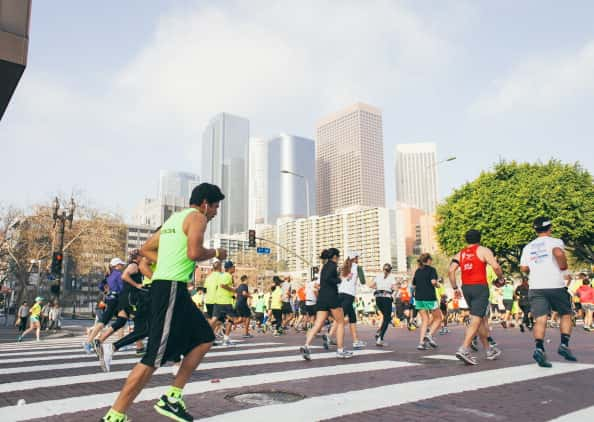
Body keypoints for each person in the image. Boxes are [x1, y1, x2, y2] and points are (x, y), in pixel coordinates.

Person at [101, 182, 226, 422]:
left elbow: (145, 248)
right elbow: (195, 253)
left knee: (205, 338)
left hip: (173, 288)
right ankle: (114, 415)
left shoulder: (173, 220)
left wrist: (168, 261)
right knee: (153, 357)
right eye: (215, 207)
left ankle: (172, 397)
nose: (215, 213)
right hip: (169, 288)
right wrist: (217, 253)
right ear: (205, 204)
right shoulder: (197, 218)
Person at [520, 217, 577, 368]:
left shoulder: (528, 247)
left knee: (540, 318)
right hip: (555, 285)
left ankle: (539, 347)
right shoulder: (555, 242)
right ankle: (564, 344)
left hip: (536, 286)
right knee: (566, 313)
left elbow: (524, 268)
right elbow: (558, 253)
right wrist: (563, 267)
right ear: (549, 228)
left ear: (535, 229)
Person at [449, 229, 504, 365]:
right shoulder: (483, 250)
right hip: (480, 287)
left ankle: (488, 350)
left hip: (466, 288)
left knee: (479, 318)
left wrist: (455, 288)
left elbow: (451, 271)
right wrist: (501, 278)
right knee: (476, 318)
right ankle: (464, 348)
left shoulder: (460, 254)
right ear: (480, 238)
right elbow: (496, 266)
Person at [300, 249, 353, 360]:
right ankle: (340, 350)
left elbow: (324, 280)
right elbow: (330, 279)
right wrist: (339, 280)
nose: (338, 258)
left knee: (318, 323)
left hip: (322, 298)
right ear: (334, 256)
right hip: (332, 297)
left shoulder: (324, 267)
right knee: (340, 322)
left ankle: (306, 345)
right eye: (338, 256)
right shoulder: (332, 265)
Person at [85, 258, 125, 353]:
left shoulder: (108, 274)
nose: (123, 266)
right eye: (121, 264)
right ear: (117, 265)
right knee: (107, 322)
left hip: (110, 299)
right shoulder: (119, 274)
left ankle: (120, 343)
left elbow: (100, 286)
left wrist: (106, 291)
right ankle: (89, 342)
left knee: (120, 320)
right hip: (117, 300)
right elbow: (122, 288)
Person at [330, 252, 366, 349]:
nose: (358, 259)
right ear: (355, 258)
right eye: (357, 257)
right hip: (349, 295)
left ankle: (355, 341)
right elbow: (363, 281)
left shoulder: (342, 268)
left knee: (352, 317)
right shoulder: (358, 268)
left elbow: (336, 279)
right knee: (340, 318)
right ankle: (329, 336)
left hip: (340, 293)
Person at [412, 253, 442, 350]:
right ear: (428, 260)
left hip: (419, 299)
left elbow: (414, 286)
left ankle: (421, 343)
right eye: (431, 259)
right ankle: (429, 335)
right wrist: (438, 285)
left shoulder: (417, 271)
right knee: (438, 318)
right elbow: (433, 282)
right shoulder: (431, 269)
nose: (431, 261)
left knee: (425, 320)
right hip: (429, 297)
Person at [369, 263, 397, 346]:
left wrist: (378, 288)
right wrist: (390, 288)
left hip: (378, 298)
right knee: (387, 318)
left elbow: (371, 285)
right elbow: (394, 288)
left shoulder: (378, 276)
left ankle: (379, 332)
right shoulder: (391, 277)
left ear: (383, 269)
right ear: (390, 270)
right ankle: (380, 338)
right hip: (386, 298)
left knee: (384, 317)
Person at [213, 260, 240, 346]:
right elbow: (223, 285)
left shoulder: (222, 275)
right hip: (225, 302)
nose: (235, 268)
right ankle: (225, 340)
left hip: (219, 300)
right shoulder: (228, 275)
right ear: (230, 268)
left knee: (217, 321)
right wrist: (233, 290)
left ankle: (207, 337)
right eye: (233, 267)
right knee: (235, 320)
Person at [204, 259, 222, 327]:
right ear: (220, 267)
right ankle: (206, 332)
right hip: (217, 301)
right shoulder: (221, 276)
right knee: (222, 319)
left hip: (208, 301)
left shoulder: (208, 277)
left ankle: (211, 336)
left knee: (213, 320)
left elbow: (205, 290)